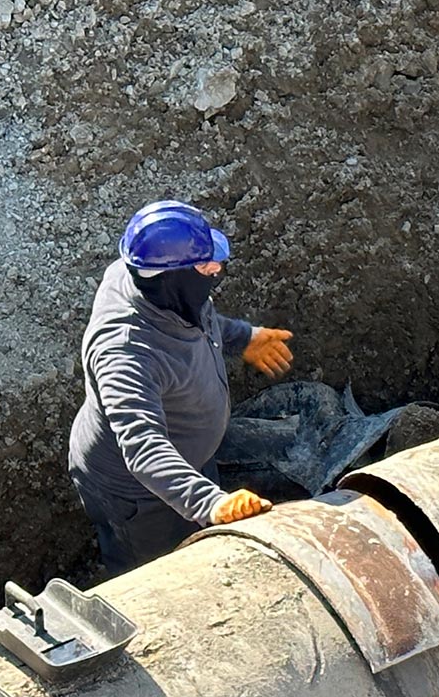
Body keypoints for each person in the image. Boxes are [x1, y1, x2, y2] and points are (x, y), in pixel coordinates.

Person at [66, 199, 298, 571]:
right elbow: (144, 449)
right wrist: (210, 503)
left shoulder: (158, 288)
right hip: (142, 497)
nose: (217, 269)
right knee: (159, 575)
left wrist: (243, 337)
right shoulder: (125, 354)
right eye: (204, 266)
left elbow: (196, 316)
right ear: (171, 277)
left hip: (191, 462)